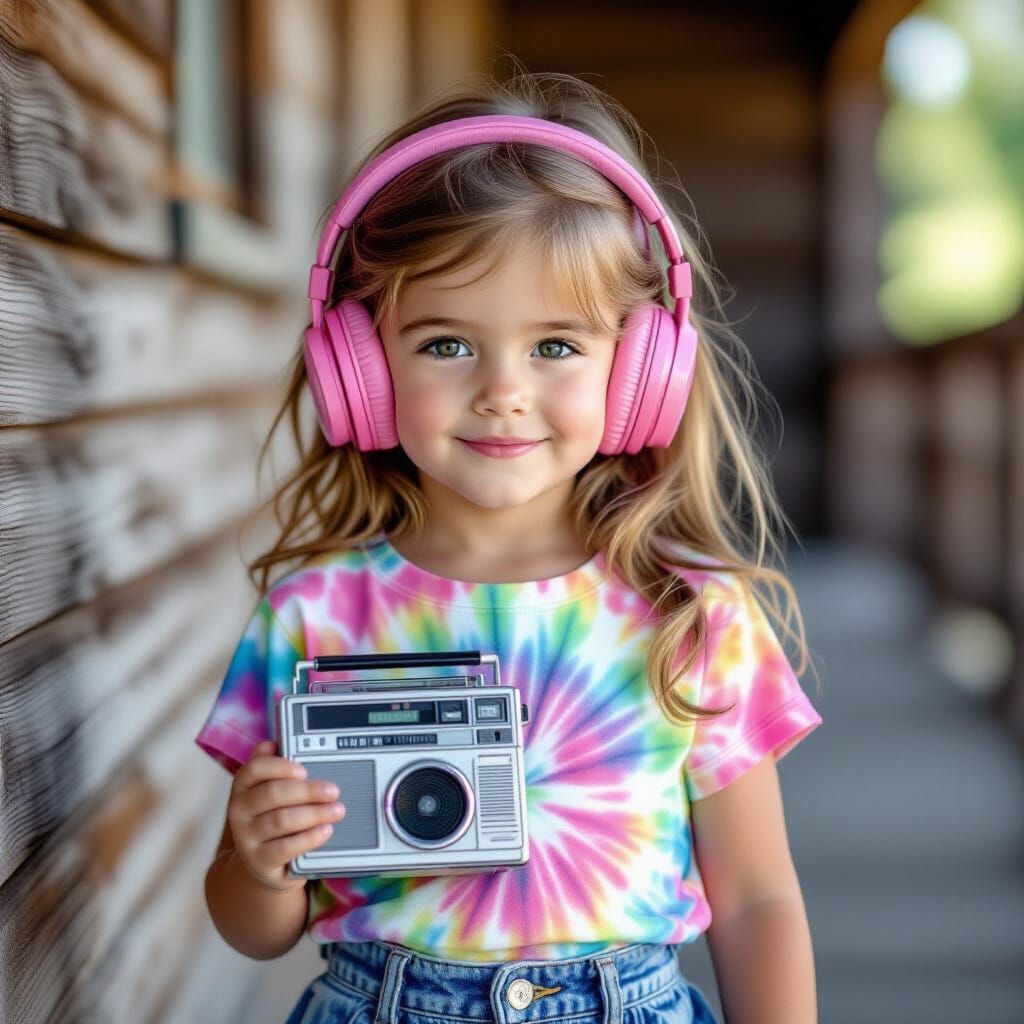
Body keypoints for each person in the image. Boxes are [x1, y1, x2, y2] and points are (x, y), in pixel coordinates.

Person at [195, 64, 823, 1024]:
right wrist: (257, 861)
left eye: (556, 346)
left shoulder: (690, 614)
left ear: (641, 371)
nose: (503, 390)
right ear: (359, 369)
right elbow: (256, 927)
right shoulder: (314, 613)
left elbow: (758, 897)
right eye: (446, 344)